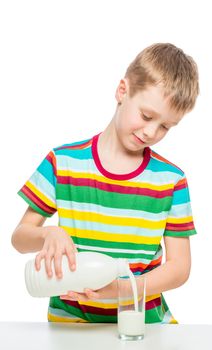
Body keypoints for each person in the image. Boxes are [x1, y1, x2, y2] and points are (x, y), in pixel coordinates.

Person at [12, 43, 199, 324]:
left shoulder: (171, 180)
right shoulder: (63, 162)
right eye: (147, 116)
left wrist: (121, 291)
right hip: (72, 323)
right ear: (122, 91)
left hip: (142, 324)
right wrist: (48, 235)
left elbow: (180, 267)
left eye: (165, 127)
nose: (151, 132)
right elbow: (20, 238)